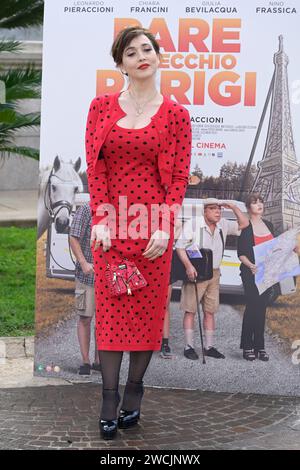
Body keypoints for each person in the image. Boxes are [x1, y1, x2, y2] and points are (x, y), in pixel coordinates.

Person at [85, 26, 191, 439]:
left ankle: (134, 390)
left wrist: (165, 227)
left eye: (148, 49)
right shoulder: (100, 108)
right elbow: (96, 169)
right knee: (111, 314)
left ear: (158, 57)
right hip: (111, 229)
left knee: (147, 317)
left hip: (153, 234)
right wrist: (100, 220)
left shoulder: (177, 115)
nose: (141, 56)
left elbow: (179, 177)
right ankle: (109, 397)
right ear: (120, 64)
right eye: (131, 52)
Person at [175, 198, 249, 360]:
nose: (218, 212)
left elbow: (244, 224)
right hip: (196, 273)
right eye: (213, 209)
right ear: (205, 211)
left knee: (210, 311)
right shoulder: (194, 224)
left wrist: (233, 206)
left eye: (219, 209)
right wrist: (188, 266)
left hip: (214, 274)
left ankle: (209, 347)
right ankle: (189, 347)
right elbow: (180, 247)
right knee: (190, 310)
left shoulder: (222, 224)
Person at [237, 193, 275, 362]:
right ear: (248, 207)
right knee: (252, 307)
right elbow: (241, 254)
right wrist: (251, 266)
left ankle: (260, 346)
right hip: (250, 272)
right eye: (254, 202)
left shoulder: (269, 225)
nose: (259, 204)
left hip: (266, 273)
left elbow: (274, 249)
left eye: (261, 202)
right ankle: (247, 346)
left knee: (262, 309)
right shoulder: (246, 225)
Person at [69, 203, 101, 375]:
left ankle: (98, 361)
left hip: (108, 277)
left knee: (104, 321)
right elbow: (73, 237)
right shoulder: (86, 209)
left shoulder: (117, 210)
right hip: (86, 276)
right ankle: (85, 361)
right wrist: (83, 262)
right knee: (85, 317)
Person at [160, 217, 184, 359]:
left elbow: (175, 242)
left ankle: (165, 343)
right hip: (146, 264)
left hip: (164, 265)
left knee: (165, 306)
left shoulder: (175, 221)